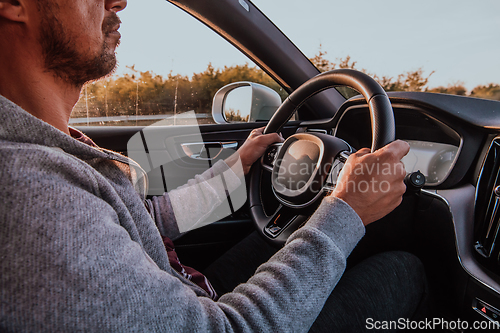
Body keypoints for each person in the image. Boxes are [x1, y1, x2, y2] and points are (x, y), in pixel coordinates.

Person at [0, 0, 428, 332]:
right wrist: (346, 211)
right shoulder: (29, 192)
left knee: (335, 228)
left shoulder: (48, 147)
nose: (119, 2)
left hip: (183, 293)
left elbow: (147, 221)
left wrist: (235, 171)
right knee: (403, 271)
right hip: (213, 316)